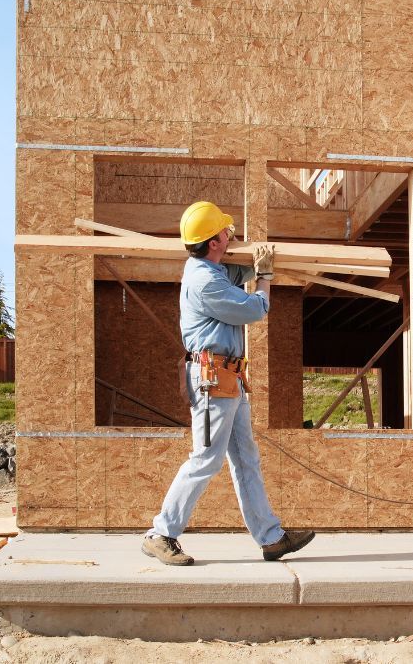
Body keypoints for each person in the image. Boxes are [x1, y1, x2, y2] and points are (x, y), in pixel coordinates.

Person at [142, 201, 315, 565]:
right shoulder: (205, 281)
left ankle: (271, 538)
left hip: (228, 378)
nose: (230, 233)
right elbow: (254, 309)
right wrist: (265, 278)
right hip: (211, 380)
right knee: (206, 458)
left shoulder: (210, 268)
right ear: (215, 241)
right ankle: (161, 533)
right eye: (225, 231)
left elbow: (235, 274)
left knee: (245, 459)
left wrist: (257, 262)